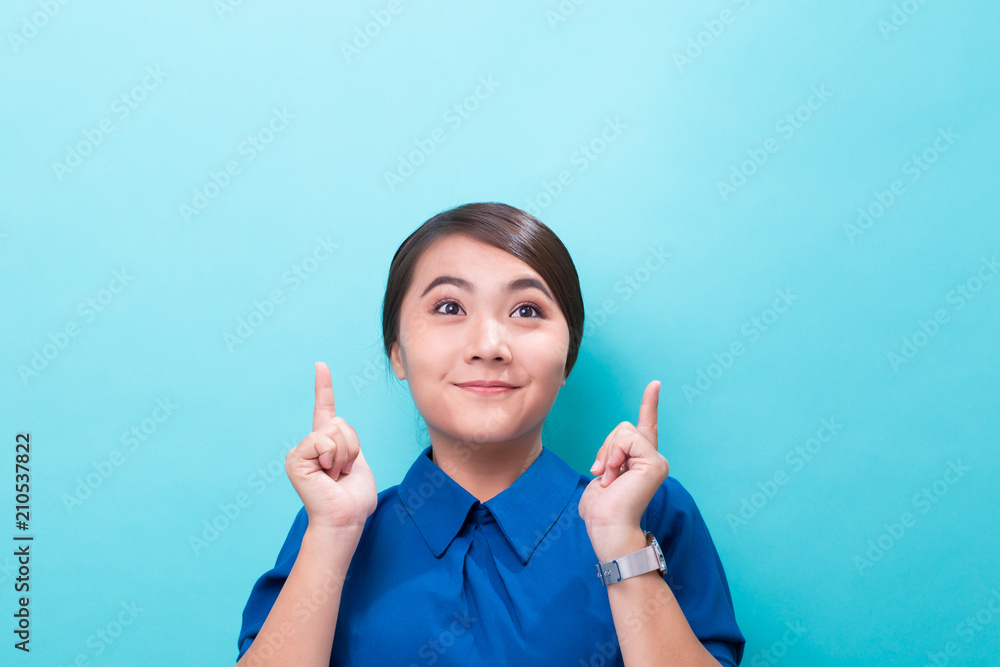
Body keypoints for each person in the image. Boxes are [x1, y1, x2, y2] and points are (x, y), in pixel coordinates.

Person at [235, 202, 745, 666]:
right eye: (449, 307)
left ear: (566, 358)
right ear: (397, 353)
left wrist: (619, 543)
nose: (488, 345)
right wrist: (332, 534)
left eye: (526, 311)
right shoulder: (335, 523)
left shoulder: (648, 513)